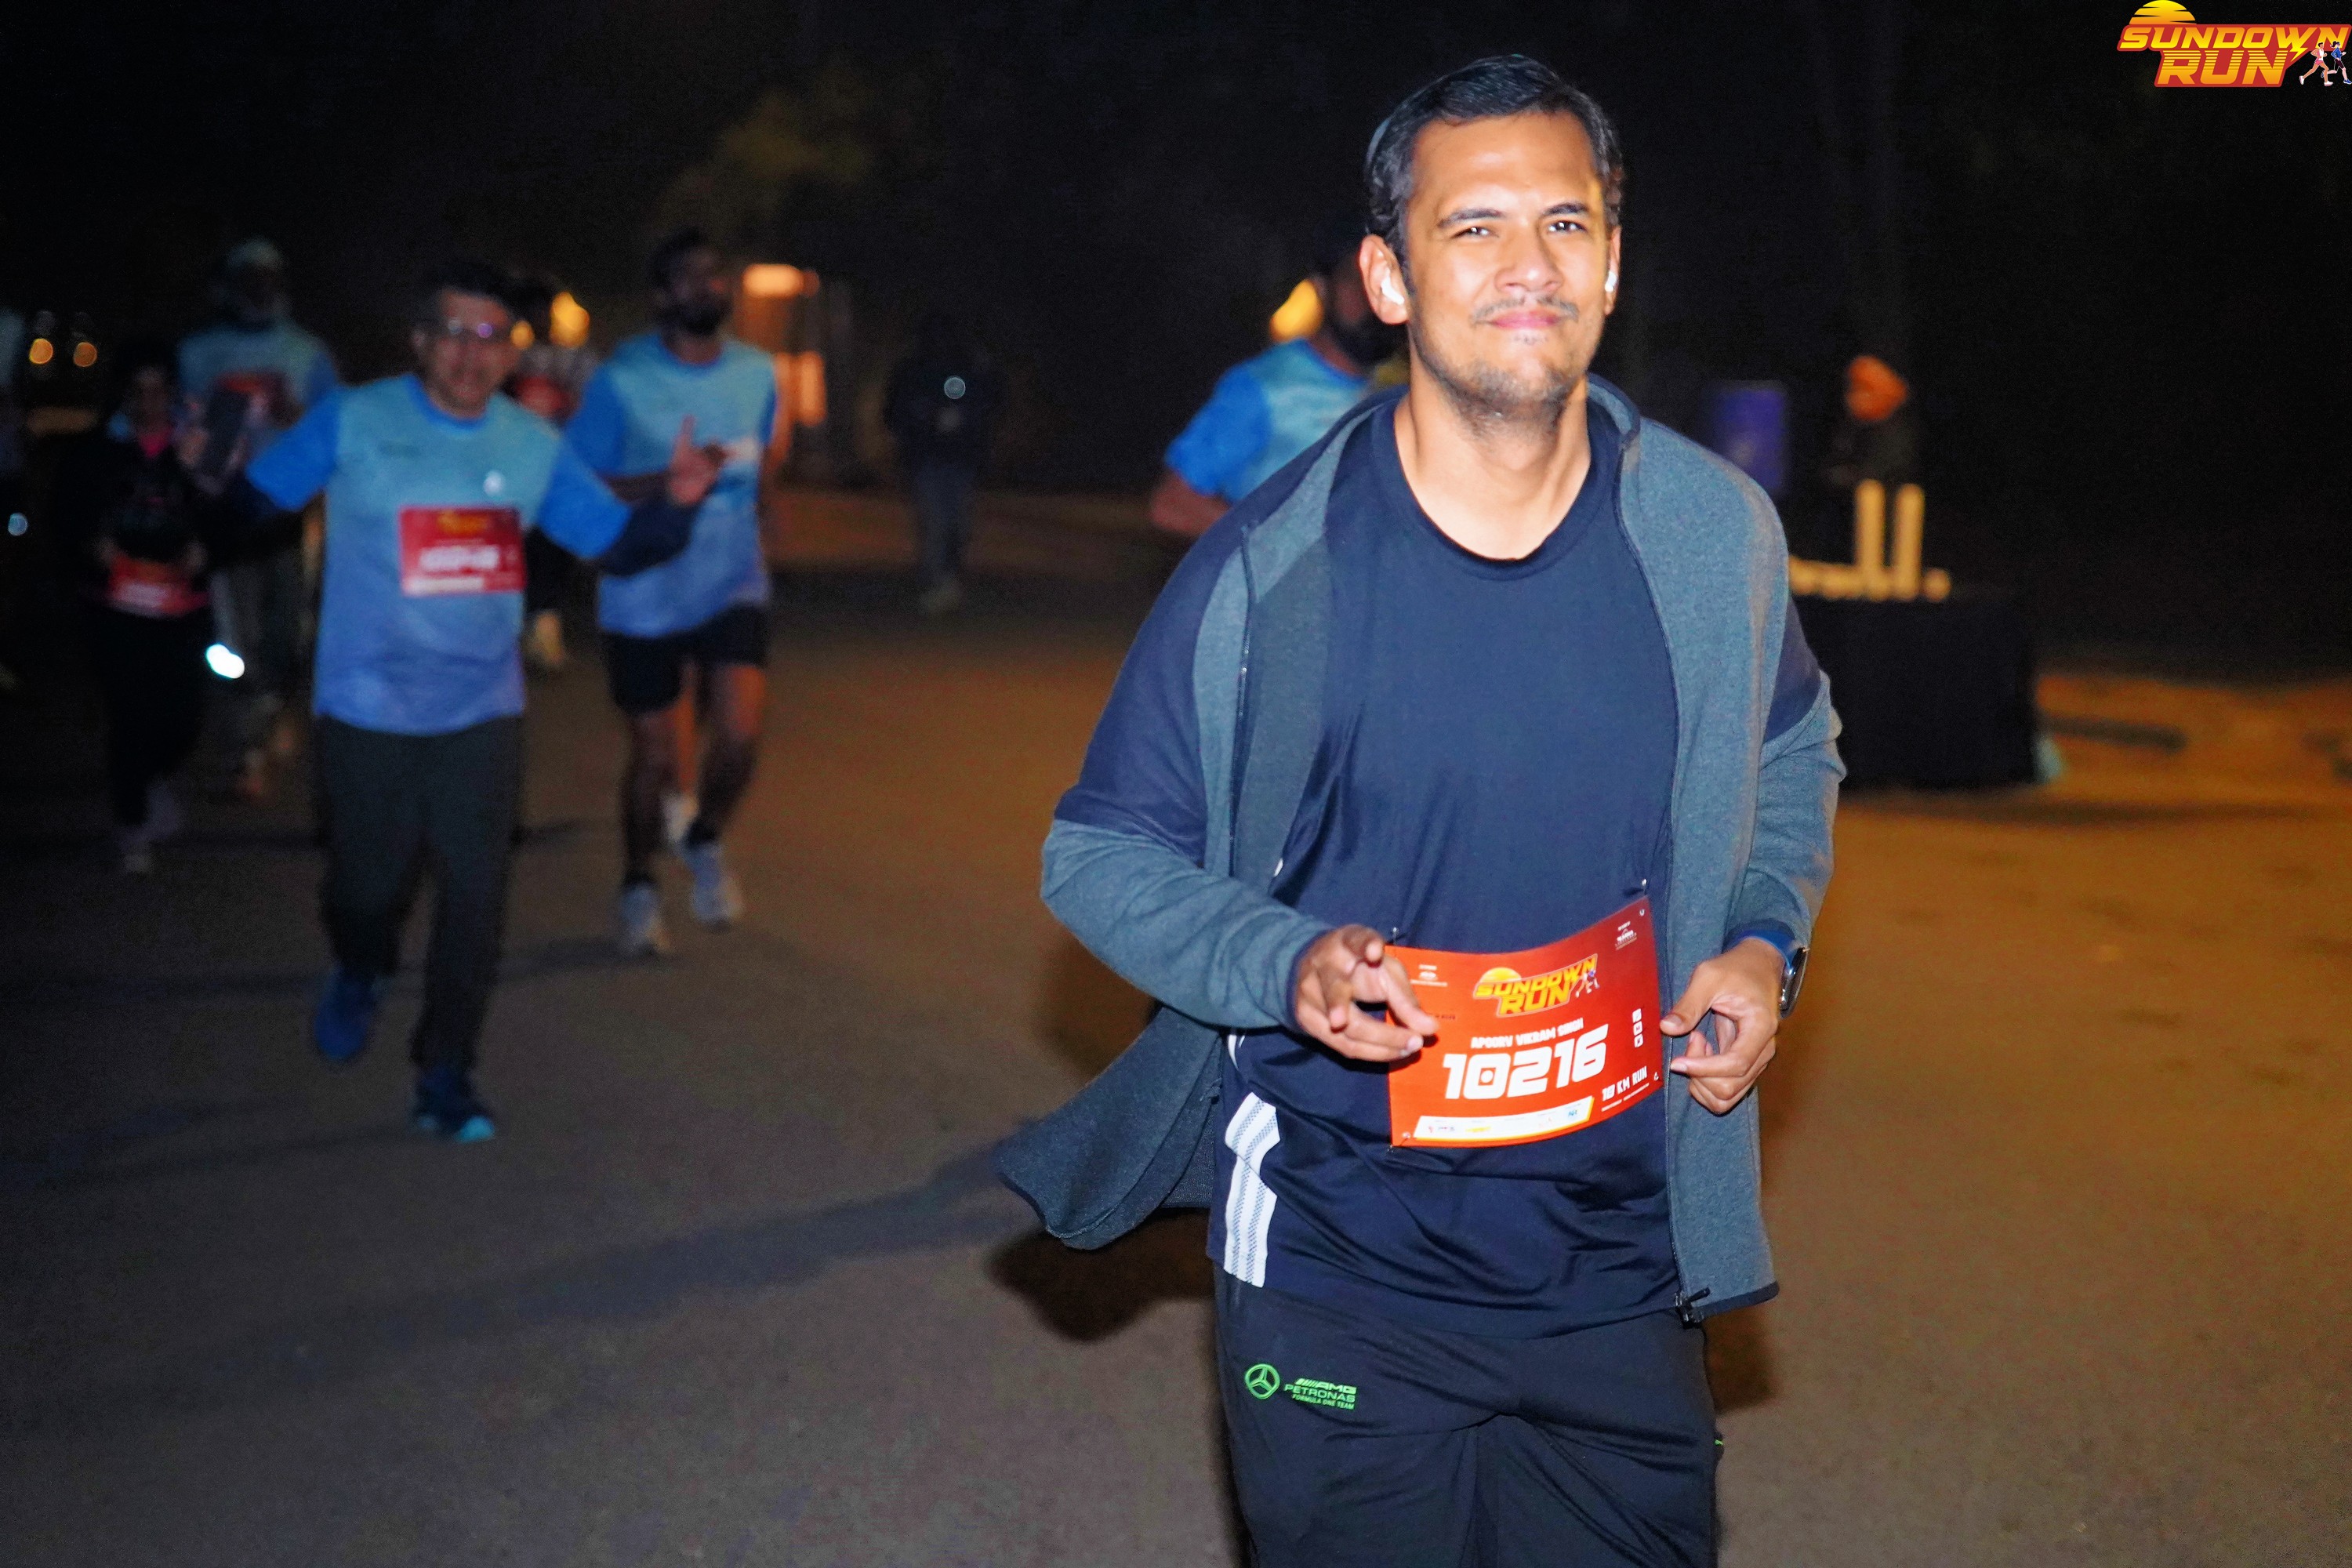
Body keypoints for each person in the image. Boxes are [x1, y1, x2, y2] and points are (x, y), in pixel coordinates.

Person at [998, 56, 1842, 1566]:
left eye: (1567, 223)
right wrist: (1285, 965)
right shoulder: (1278, 567)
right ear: (1388, 278)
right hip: (1343, 1265)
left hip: (1620, 1268)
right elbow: (1102, 853)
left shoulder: (1711, 536)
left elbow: (1792, 750)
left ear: (1613, 263)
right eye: (1474, 227)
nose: (1530, 265)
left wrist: (1763, 942)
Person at [204, 259, 720, 1142]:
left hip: (481, 714)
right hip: (366, 709)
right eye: (454, 334)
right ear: (420, 342)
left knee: (476, 900)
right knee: (366, 893)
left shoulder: (531, 444)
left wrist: (676, 505)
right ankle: (361, 965)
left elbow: (619, 546)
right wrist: (192, 501)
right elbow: (247, 506)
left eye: (491, 337)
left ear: (512, 352)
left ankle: (446, 1072)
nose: (472, 354)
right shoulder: (355, 420)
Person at [566, 229, 779, 955]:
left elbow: (765, 460)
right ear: (661, 295)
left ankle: (705, 838)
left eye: (716, 275)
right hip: (647, 583)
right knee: (656, 761)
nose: (706, 288)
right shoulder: (622, 380)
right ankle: (638, 884)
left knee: (741, 738)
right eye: (688, 278)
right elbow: (581, 481)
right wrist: (672, 479)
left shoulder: (757, 371)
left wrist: (765, 518)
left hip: (732, 576)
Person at [50, 343, 242, 872]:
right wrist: (92, 546)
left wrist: (206, 549)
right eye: (138, 391)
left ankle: (154, 778)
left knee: (183, 715)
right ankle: (131, 821)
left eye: (159, 390)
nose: (149, 402)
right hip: (115, 609)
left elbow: (229, 515)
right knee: (130, 714)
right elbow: (65, 518)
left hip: (182, 607)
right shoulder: (95, 453)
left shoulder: (196, 448)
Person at [179, 238, 341, 800]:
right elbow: (172, 424)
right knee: (231, 637)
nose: (259, 287)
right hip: (224, 513)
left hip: (288, 515)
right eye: (248, 276)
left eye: (268, 276)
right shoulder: (199, 353)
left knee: (286, 631)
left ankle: (269, 716)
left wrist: (298, 417)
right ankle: (244, 746)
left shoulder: (306, 352)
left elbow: (336, 426)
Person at [1146, 212, 1397, 539]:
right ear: (1323, 289)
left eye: (1384, 279)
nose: (1370, 296)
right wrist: (1278, 548)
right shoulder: (1266, 386)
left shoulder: (1406, 384)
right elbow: (1172, 505)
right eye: (1354, 279)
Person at [884, 312, 1002, 615]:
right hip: (926, 459)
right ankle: (937, 582)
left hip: (962, 459)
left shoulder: (972, 366)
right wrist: (923, 421)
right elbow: (894, 413)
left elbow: (992, 403)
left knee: (958, 523)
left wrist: (969, 424)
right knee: (935, 522)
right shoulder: (912, 369)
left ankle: (950, 577)